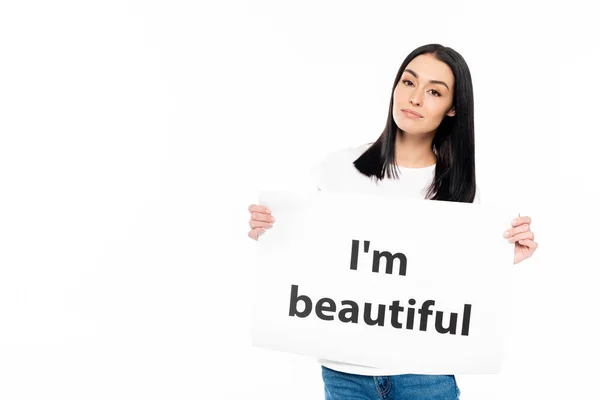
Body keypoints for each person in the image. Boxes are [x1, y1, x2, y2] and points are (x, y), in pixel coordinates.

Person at [247, 43, 538, 399]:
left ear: (453, 109)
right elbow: (320, 261)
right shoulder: (338, 169)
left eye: (434, 91)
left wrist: (501, 258)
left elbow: (452, 281)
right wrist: (277, 234)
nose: (415, 98)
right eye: (408, 82)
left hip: (426, 376)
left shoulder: (463, 189)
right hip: (345, 376)